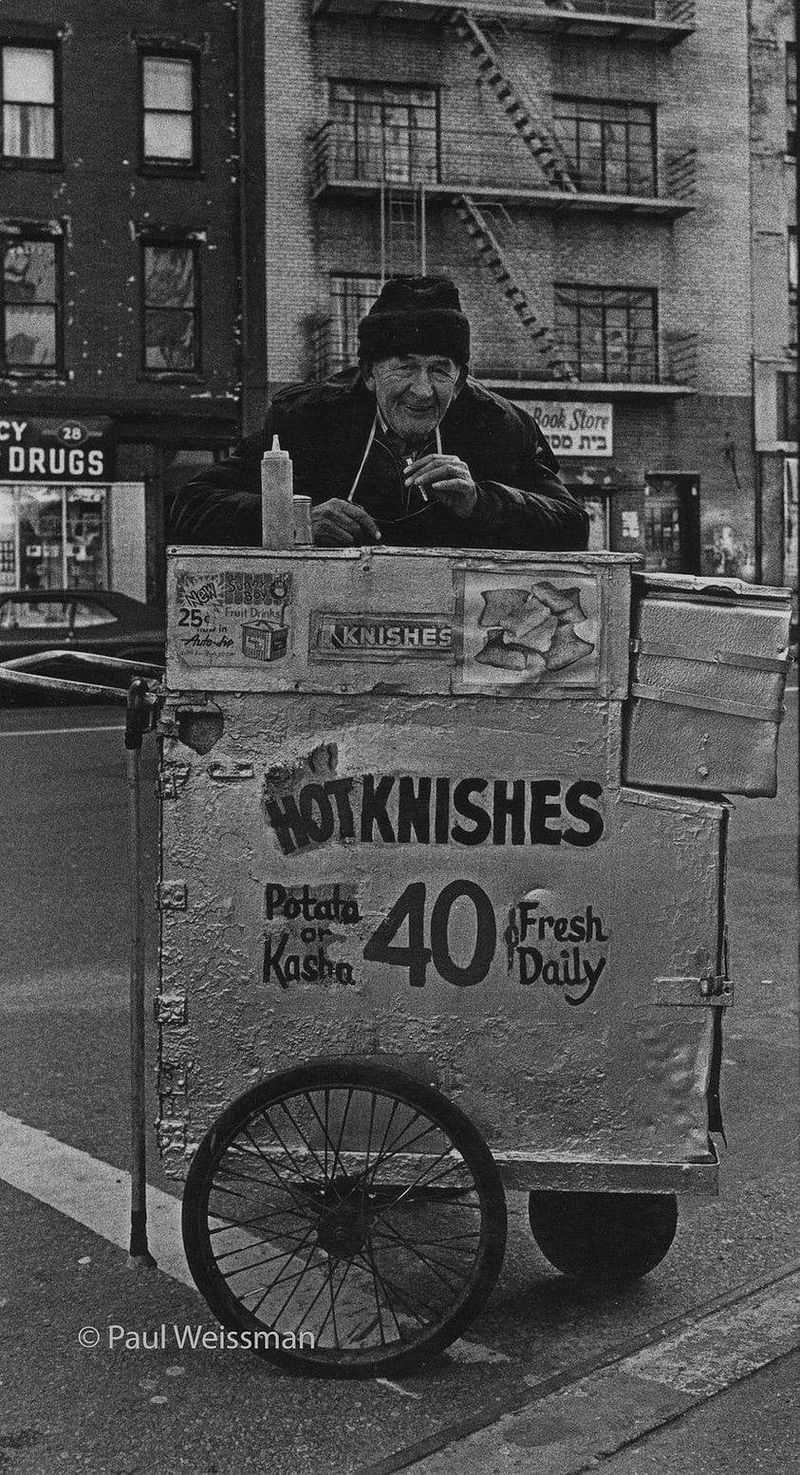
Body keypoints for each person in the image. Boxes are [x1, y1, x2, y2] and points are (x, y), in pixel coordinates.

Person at [169, 276, 589, 551]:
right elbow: (192, 506)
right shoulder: (308, 419)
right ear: (370, 374)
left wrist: (481, 502)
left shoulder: (500, 425)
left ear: (460, 380)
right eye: (404, 368)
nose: (422, 390)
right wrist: (298, 521)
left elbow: (572, 526)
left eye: (439, 370)